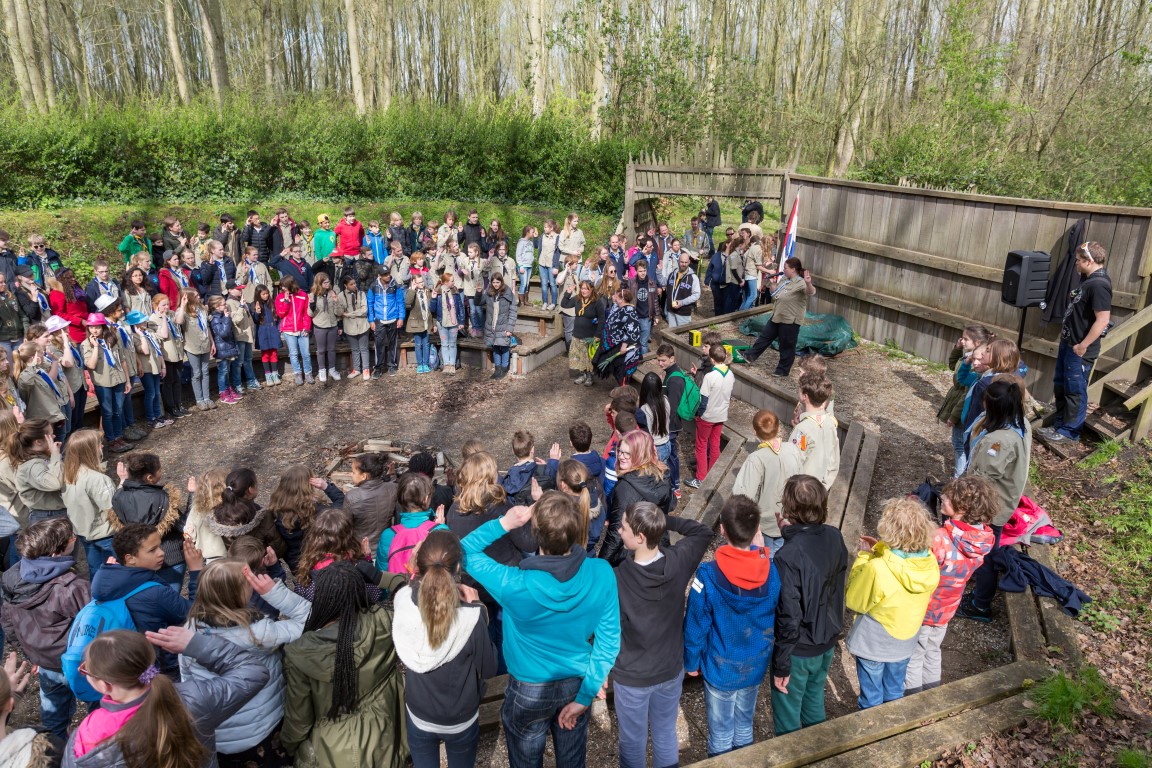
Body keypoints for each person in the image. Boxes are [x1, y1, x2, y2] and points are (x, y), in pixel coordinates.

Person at [461, 492, 620, 768]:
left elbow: (462, 551)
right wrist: (586, 695)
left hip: (528, 688)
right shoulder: (602, 572)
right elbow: (609, 641)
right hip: (577, 682)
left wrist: (505, 523)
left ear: (536, 534)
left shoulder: (513, 584)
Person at [63, 626, 268, 768]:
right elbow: (253, 672)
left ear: (105, 684)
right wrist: (196, 644)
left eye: (85, 669)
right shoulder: (194, 697)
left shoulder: (86, 737)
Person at [182, 558, 310, 767]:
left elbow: (187, 679)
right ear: (238, 593)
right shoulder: (259, 633)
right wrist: (274, 593)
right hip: (261, 732)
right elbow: (310, 621)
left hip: (218, 734)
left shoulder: (189, 630)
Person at [612, 501, 711, 768]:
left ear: (640, 537)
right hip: (669, 669)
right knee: (665, 733)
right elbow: (702, 532)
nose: (618, 530)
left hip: (632, 676)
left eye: (623, 527)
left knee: (632, 742)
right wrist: (662, 520)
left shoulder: (617, 578)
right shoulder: (678, 561)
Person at [282, 562, 408, 767]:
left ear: (321, 598)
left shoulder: (301, 653)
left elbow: (299, 719)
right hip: (385, 737)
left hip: (330, 749)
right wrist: (382, 578)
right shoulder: (385, 622)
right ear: (360, 591)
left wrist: (290, 746)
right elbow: (424, 596)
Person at [684, 494, 780, 757]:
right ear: (757, 529)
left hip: (720, 667)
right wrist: (762, 553)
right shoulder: (771, 571)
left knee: (720, 733)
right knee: (744, 725)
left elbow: (695, 624)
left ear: (722, 529)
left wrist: (691, 660)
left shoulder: (708, 575)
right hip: (754, 664)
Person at [393, 530, 497, 768]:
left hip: (419, 712)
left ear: (420, 566)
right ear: (458, 567)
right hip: (460, 718)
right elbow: (489, 668)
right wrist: (479, 607)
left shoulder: (402, 602)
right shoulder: (471, 619)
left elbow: (411, 589)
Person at [769, 475, 849, 735]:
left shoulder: (786, 556)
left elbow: (789, 615)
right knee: (814, 701)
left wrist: (781, 664)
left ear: (789, 508)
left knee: (787, 718)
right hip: (826, 640)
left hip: (799, 649)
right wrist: (788, 533)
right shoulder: (834, 536)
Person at [845, 497, 940, 709]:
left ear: (888, 530)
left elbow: (855, 601)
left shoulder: (878, 568)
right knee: (895, 689)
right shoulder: (929, 561)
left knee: (871, 697)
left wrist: (864, 556)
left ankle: (872, 726)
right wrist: (880, 550)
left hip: (874, 643)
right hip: (905, 643)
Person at [904, 476, 996, 695]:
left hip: (924, 609)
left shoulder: (939, 539)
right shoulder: (982, 539)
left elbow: (919, 571)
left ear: (962, 508)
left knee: (914, 656)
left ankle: (913, 701)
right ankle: (932, 694)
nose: (942, 497)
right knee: (933, 650)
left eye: (948, 497)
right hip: (947, 609)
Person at [0, 517, 89, 741]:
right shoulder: (71, 586)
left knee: (53, 716)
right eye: (71, 539)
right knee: (98, 704)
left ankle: (54, 750)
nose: (75, 539)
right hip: (78, 662)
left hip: (44, 663)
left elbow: (8, 622)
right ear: (56, 553)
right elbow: (93, 623)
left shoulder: (11, 578)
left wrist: (31, 653)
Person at [957, 377, 1033, 624]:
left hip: (990, 508)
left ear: (993, 406)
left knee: (988, 554)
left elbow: (982, 480)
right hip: (1002, 502)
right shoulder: (1019, 423)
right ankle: (979, 592)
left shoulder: (998, 441)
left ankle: (980, 604)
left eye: (986, 401)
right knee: (989, 549)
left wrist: (958, 497)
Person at [90, 523, 205, 676]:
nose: (161, 553)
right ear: (130, 559)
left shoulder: (106, 582)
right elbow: (195, 612)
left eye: (159, 546)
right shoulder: (155, 593)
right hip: (160, 666)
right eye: (152, 550)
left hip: (125, 663)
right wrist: (196, 571)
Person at [1041, 241, 1113, 444]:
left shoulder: (1099, 285)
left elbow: (1103, 320)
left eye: (1079, 261)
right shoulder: (1089, 280)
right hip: (1069, 343)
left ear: (1089, 261)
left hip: (1080, 349)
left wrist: (1083, 345)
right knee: (1061, 386)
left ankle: (1070, 433)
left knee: (1074, 390)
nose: (1076, 264)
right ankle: (1059, 425)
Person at [111, 453, 187, 591]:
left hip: (139, 558)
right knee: (171, 597)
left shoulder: (118, 497)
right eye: (159, 470)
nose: (161, 472)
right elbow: (184, 526)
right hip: (169, 557)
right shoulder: (163, 497)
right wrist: (192, 497)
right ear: (150, 477)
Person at [733, 410, 803, 555]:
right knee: (782, 557)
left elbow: (743, 495)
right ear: (778, 428)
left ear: (754, 431)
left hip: (765, 525)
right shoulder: (793, 449)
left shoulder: (756, 459)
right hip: (790, 519)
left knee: (764, 557)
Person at [601, 430, 673, 566]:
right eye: (620, 451)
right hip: (658, 547)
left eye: (627, 453)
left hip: (633, 555)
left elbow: (616, 533)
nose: (621, 456)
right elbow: (671, 504)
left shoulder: (625, 488)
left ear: (640, 454)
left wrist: (601, 563)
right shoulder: (662, 473)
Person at [743, 257, 816, 376]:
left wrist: (808, 282)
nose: (783, 270)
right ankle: (749, 356)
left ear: (793, 269)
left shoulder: (801, 282)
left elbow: (811, 292)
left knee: (787, 345)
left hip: (790, 320)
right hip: (777, 316)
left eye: (786, 268)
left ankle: (782, 370)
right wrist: (772, 283)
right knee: (764, 337)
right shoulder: (784, 279)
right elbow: (775, 293)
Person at [61, 429, 118, 576]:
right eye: (99, 444)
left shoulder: (69, 474)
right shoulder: (98, 479)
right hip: (106, 534)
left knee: (96, 570)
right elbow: (113, 508)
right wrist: (123, 483)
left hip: (83, 532)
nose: (102, 446)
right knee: (116, 570)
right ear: (90, 451)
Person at [269, 465, 345, 574]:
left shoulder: (276, 510)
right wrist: (326, 487)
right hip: (318, 561)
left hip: (295, 563)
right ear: (309, 485)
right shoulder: (319, 511)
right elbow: (343, 504)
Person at [939, 324, 993, 477]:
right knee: (960, 444)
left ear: (977, 343)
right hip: (960, 408)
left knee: (960, 446)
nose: (962, 341)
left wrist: (954, 416)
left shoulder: (978, 368)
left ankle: (959, 478)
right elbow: (953, 366)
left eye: (966, 339)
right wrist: (957, 350)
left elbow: (965, 396)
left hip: (964, 414)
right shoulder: (968, 357)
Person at [375, 472, 449, 574]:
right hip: (430, 584)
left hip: (398, 583)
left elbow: (382, 573)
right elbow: (448, 570)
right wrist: (441, 529)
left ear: (400, 500)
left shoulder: (387, 535)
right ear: (426, 499)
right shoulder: (440, 531)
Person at [686, 344, 733, 490]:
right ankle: (713, 475)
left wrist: (698, 415)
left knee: (701, 446)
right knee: (715, 444)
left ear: (712, 359)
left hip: (707, 416)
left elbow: (703, 400)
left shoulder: (710, 376)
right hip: (721, 415)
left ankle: (701, 478)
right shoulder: (730, 374)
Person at [791, 373, 840, 490]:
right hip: (819, 487)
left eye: (799, 389)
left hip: (801, 489)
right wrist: (824, 486)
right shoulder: (830, 423)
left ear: (805, 396)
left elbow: (792, 462)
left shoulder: (802, 429)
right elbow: (834, 461)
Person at [343, 452, 398, 551]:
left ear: (364, 476)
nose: (351, 474)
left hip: (362, 549)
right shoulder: (393, 488)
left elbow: (346, 527)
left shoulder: (352, 496)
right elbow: (392, 484)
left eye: (353, 472)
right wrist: (392, 475)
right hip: (385, 547)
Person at [176, 288, 215, 411]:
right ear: (190, 298)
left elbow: (207, 327)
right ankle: (199, 399)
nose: (199, 297)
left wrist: (212, 342)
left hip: (205, 344)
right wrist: (183, 305)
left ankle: (207, 398)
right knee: (197, 373)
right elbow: (178, 321)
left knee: (205, 371)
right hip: (192, 346)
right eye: (196, 296)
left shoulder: (202, 309)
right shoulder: (183, 311)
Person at [561, 279, 604, 387]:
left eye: (586, 289)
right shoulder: (577, 299)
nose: (583, 291)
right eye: (582, 288)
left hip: (590, 335)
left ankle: (590, 376)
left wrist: (598, 335)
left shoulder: (597, 302)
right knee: (579, 356)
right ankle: (582, 375)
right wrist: (568, 293)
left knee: (588, 357)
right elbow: (564, 304)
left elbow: (602, 319)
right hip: (577, 334)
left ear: (591, 289)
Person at [150, 293, 186, 421]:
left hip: (177, 352)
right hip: (166, 355)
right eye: (163, 305)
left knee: (177, 380)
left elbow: (179, 321)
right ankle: (170, 406)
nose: (166, 307)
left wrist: (182, 305)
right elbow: (164, 335)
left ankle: (178, 403)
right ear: (156, 305)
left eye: (168, 304)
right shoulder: (153, 319)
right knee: (168, 382)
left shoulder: (171, 313)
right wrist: (164, 318)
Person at [597, 289, 641, 386]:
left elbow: (630, 330)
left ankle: (624, 390)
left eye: (617, 296)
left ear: (622, 299)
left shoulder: (630, 311)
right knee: (616, 369)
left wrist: (624, 346)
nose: (615, 297)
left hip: (623, 346)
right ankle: (622, 388)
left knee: (620, 370)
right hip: (615, 343)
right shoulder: (621, 308)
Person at [367, 266, 405, 378]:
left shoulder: (395, 285)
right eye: (385, 274)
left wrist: (401, 318)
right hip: (379, 320)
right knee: (379, 344)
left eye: (388, 273)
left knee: (392, 343)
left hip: (393, 318)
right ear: (379, 276)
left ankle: (391, 365)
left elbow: (400, 302)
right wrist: (371, 320)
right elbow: (370, 304)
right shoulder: (373, 286)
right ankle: (378, 368)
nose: (388, 276)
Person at [276, 275, 314, 386]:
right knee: (293, 353)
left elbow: (307, 313)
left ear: (291, 285)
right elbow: (280, 314)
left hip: (302, 329)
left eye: (284, 286)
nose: (283, 288)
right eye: (282, 286)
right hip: (288, 329)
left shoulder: (303, 295)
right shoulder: (280, 297)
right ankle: (297, 374)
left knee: (306, 353)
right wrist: (286, 302)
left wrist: (307, 327)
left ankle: (308, 373)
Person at [206, 296, 241, 405]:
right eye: (223, 304)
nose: (226, 306)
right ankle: (223, 393)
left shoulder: (222, 315)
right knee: (223, 371)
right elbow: (223, 333)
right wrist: (226, 318)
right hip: (221, 349)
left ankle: (228, 389)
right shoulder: (215, 318)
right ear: (216, 306)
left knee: (227, 371)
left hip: (228, 347)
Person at [307, 273, 341, 382]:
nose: (328, 284)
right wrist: (312, 305)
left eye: (328, 282)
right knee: (321, 350)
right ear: (319, 283)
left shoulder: (332, 293)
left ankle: (332, 369)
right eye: (325, 282)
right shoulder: (313, 295)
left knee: (332, 349)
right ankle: (322, 370)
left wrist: (336, 301)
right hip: (320, 326)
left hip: (332, 325)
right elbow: (310, 314)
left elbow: (338, 312)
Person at [430, 272, 464, 375]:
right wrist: (433, 298)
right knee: (444, 344)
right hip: (442, 322)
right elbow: (432, 310)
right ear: (445, 282)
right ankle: (446, 364)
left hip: (454, 322)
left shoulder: (455, 292)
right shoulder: (438, 292)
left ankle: (452, 364)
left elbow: (460, 307)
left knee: (452, 344)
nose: (454, 283)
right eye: (452, 281)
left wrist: (461, 321)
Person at [484, 273, 517, 380]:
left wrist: (509, 329)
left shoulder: (508, 292)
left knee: (504, 347)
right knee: (495, 347)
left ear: (501, 282)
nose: (495, 284)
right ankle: (497, 369)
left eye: (497, 282)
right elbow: (478, 302)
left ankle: (504, 369)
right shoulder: (489, 291)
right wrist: (478, 292)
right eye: (493, 282)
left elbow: (513, 312)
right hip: (492, 324)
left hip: (503, 325)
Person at [636, 371, 671, 463]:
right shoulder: (665, 400)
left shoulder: (644, 409)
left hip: (655, 448)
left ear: (644, 389)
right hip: (667, 443)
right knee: (663, 470)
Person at [405, 271, 435, 374]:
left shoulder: (427, 291)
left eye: (422, 281)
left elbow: (432, 309)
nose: (421, 283)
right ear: (414, 283)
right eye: (419, 282)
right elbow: (407, 303)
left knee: (426, 343)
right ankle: (420, 364)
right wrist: (412, 290)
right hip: (416, 323)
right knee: (418, 344)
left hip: (427, 322)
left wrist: (434, 323)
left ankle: (425, 364)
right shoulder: (411, 292)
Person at [251, 284, 281, 386]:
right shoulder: (254, 305)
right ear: (258, 294)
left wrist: (278, 329)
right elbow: (255, 320)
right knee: (265, 354)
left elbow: (278, 317)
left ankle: (275, 373)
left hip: (273, 330)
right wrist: (257, 312)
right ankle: (268, 375)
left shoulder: (272, 303)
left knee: (273, 353)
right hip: (262, 331)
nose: (266, 295)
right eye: (263, 294)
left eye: (267, 293)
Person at [515, 225, 536, 307]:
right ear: (527, 233)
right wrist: (520, 266)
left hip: (529, 266)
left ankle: (526, 301)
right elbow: (518, 255)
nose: (533, 233)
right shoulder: (521, 242)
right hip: (523, 266)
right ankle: (521, 302)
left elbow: (532, 252)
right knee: (523, 283)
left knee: (527, 284)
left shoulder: (531, 243)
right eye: (532, 232)